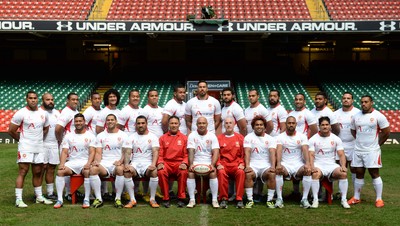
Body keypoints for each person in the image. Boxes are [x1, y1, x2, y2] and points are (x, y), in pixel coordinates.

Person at [8, 90, 52, 208]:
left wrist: (38, 140)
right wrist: (22, 141)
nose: (33, 100)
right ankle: (18, 199)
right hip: (25, 147)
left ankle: (39, 197)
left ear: (38, 99)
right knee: (23, 171)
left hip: (39, 147)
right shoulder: (21, 113)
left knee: (38, 172)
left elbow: (46, 128)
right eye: (30, 98)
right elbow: (11, 130)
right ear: (26, 99)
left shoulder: (44, 114)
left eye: (35, 98)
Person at [348, 95, 390, 208]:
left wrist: (376, 144)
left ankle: (379, 199)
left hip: (372, 151)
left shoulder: (378, 116)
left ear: (372, 102)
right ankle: (356, 197)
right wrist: (360, 142)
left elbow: (386, 132)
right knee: (359, 172)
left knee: (374, 173)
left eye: (366, 102)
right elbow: (353, 131)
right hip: (358, 149)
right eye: (362, 102)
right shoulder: (356, 116)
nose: (363, 104)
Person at [53, 113, 96, 209]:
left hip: (84, 162)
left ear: (84, 122)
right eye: (76, 121)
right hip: (72, 163)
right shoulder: (68, 136)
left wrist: (88, 163)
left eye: (80, 121)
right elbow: (64, 152)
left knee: (87, 172)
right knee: (60, 171)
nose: (78, 123)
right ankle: (60, 199)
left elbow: (92, 152)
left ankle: (86, 198)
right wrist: (62, 164)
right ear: (74, 123)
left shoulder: (90, 136)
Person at [308, 116, 351, 209]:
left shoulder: (336, 139)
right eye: (322, 125)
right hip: (318, 165)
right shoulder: (313, 139)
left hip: (331, 165)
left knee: (343, 173)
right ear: (319, 126)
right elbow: (310, 155)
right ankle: (315, 200)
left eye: (327, 124)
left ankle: (344, 200)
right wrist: (312, 167)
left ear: (330, 126)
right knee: (315, 174)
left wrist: (343, 165)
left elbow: (341, 155)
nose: (325, 127)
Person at [89, 113, 129, 208]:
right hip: (104, 164)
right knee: (93, 169)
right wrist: (97, 162)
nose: (110, 121)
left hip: (117, 163)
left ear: (116, 121)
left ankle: (117, 198)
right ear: (105, 122)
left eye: (112, 120)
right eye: (108, 120)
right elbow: (98, 152)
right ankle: (99, 198)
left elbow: (126, 151)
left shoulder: (123, 135)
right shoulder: (100, 136)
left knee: (120, 170)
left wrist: (121, 161)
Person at [122, 115, 161, 208]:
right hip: (135, 163)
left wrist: (153, 164)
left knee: (154, 171)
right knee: (127, 171)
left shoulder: (153, 137)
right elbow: (127, 152)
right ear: (135, 125)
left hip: (147, 163)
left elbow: (156, 151)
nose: (141, 125)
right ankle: (132, 200)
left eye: (143, 123)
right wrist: (126, 164)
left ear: (146, 124)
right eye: (138, 123)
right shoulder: (131, 137)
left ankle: (152, 199)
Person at [275, 116, 312, 208]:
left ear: (296, 124)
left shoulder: (302, 136)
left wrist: (307, 164)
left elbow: (305, 150)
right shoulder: (280, 137)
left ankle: (304, 199)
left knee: (307, 171)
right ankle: (279, 199)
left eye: (293, 123)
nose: (291, 125)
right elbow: (279, 150)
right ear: (286, 124)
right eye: (289, 123)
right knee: (279, 170)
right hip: (285, 165)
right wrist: (279, 164)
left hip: (298, 165)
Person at [244, 88, 273, 202]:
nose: (251, 98)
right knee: (252, 164)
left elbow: (270, 126)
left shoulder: (263, 110)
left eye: (253, 96)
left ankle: (259, 193)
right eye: (249, 96)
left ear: (258, 96)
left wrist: (262, 137)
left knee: (262, 164)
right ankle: (254, 194)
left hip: (262, 140)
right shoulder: (246, 110)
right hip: (251, 140)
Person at [287, 92, 318, 198]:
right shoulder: (291, 114)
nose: (298, 101)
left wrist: (306, 141)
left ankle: (311, 194)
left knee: (308, 168)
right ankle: (296, 192)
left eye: (300, 99)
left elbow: (314, 129)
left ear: (304, 101)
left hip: (304, 146)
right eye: (296, 99)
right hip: (293, 146)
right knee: (296, 168)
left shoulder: (308, 113)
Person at [243, 115, 277, 209]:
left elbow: (272, 153)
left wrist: (273, 166)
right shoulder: (248, 137)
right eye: (257, 125)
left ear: (265, 127)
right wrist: (247, 166)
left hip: (265, 166)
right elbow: (247, 152)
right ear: (253, 126)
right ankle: (250, 200)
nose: (259, 126)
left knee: (272, 174)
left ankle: (269, 200)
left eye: (261, 125)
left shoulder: (270, 139)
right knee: (248, 174)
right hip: (253, 165)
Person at [186, 116, 220, 208]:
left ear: (207, 124)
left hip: (208, 162)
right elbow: (191, 151)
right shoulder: (192, 135)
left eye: (203, 123)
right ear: (196, 125)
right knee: (190, 173)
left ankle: (214, 200)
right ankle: (192, 199)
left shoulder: (212, 136)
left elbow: (216, 151)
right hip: (196, 162)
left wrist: (212, 165)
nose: (201, 125)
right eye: (199, 123)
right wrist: (191, 164)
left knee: (213, 173)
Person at [161, 84, 188, 200]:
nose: (182, 94)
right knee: (163, 170)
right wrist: (169, 135)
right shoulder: (171, 104)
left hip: (182, 137)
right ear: (175, 93)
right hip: (171, 138)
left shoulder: (185, 105)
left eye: (184, 92)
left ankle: (181, 195)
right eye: (180, 92)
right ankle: (167, 195)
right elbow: (164, 121)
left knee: (183, 168)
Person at [333, 92, 361, 197]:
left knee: (354, 169)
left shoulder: (358, 113)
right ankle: (341, 192)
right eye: (344, 98)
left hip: (353, 144)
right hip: (340, 145)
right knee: (340, 168)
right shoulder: (335, 114)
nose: (346, 100)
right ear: (341, 100)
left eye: (348, 98)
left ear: (352, 100)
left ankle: (355, 194)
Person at [95, 88, 121, 198]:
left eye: (114, 96)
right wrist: (106, 140)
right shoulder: (103, 112)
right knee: (104, 164)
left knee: (116, 165)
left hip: (116, 143)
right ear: (107, 99)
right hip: (105, 142)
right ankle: (104, 191)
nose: (113, 98)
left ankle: (116, 193)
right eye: (110, 97)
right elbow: (98, 129)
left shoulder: (119, 112)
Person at [157, 115, 188, 208]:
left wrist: (184, 163)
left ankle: (181, 198)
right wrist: (160, 163)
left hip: (179, 162)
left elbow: (186, 154)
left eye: (175, 123)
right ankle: (166, 198)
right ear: (168, 125)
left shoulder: (184, 138)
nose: (174, 125)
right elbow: (160, 154)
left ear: (179, 124)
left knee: (183, 172)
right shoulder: (162, 138)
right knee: (161, 172)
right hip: (166, 163)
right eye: (172, 123)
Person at [55, 92, 80, 200]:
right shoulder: (66, 112)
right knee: (66, 168)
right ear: (67, 101)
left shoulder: (75, 112)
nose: (75, 101)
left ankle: (73, 190)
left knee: (72, 168)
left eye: (76, 99)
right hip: (67, 145)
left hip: (73, 144)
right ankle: (68, 193)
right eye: (73, 99)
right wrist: (61, 140)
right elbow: (58, 128)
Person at [217, 116, 245, 209]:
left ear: (234, 124)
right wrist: (218, 164)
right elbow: (216, 154)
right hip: (224, 164)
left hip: (236, 164)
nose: (228, 125)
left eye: (230, 123)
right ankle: (224, 199)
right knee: (221, 172)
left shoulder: (240, 138)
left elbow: (243, 153)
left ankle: (239, 199)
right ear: (224, 125)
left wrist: (242, 163)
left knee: (241, 172)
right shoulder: (219, 138)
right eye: (226, 123)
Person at [39, 93, 61, 201]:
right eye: (48, 99)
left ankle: (50, 192)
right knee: (41, 169)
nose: (50, 101)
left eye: (52, 99)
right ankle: (38, 193)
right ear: (42, 100)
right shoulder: (39, 113)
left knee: (52, 168)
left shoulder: (57, 113)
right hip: (42, 144)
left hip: (53, 144)